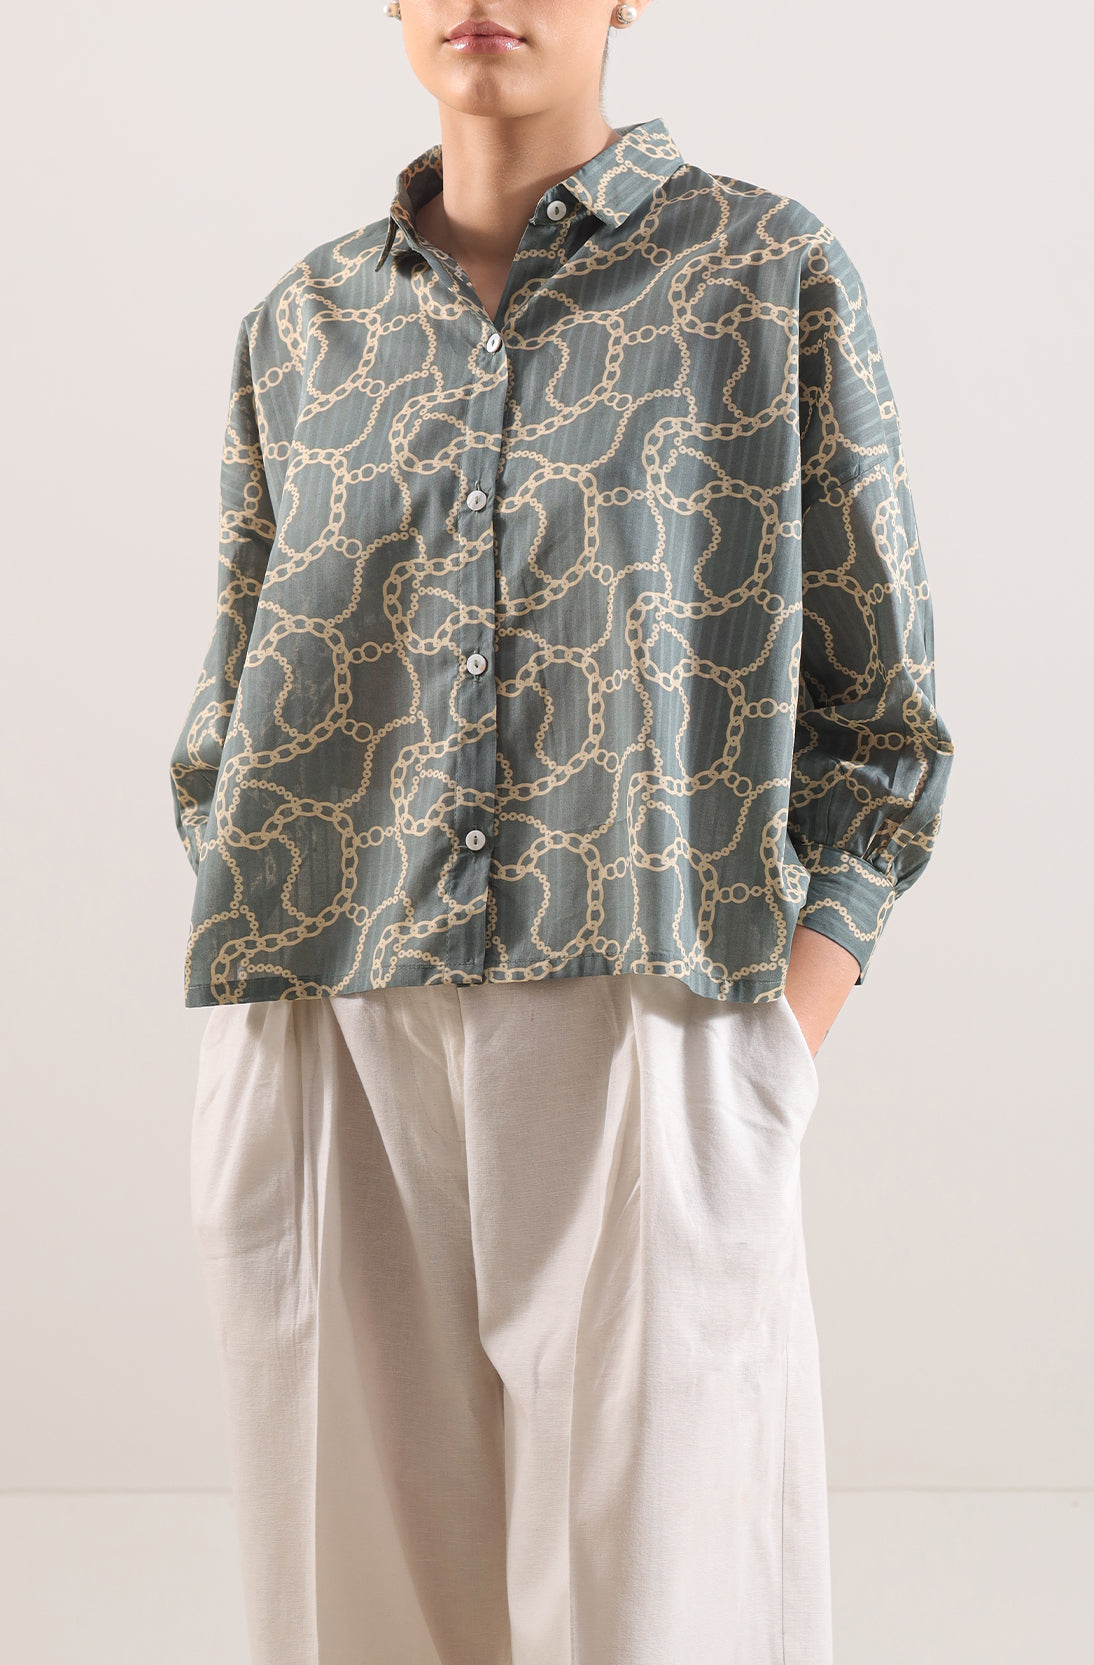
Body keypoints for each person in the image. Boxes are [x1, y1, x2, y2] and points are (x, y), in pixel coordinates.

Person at [169, 3, 954, 1661]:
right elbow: (230, 723)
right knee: (353, 1616)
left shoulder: (762, 277)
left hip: (645, 1015)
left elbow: (879, 722)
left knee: (658, 1613)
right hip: (327, 1028)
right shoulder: (301, 328)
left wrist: (772, 1048)